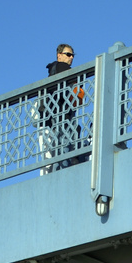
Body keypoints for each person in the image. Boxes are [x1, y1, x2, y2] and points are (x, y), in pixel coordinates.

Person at [42, 44, 88, 173]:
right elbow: (77, 83)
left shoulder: (52, 70)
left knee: (60, 148)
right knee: (66, 147)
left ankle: (61, 168)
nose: (71, 57)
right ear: (59, 55)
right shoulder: (62, 66)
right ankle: (68, 169)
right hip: (64, 116)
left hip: (54, 118)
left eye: (73, 55)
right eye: (68, 54)